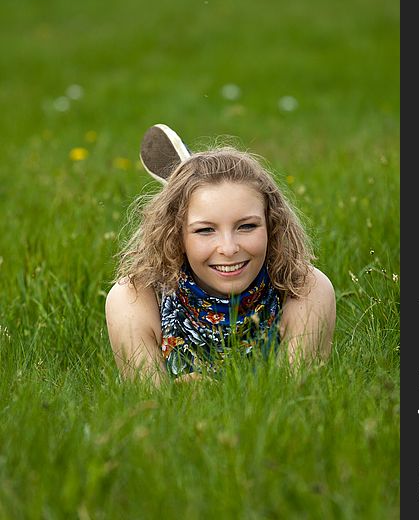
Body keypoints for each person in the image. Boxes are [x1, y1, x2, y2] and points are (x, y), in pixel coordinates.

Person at [105, 124, 336, 384]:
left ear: (272, 225)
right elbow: (150, 409)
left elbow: (292, 401)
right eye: (205, 230)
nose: (228, 248)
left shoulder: (305, 290)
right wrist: (182, 402)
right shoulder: (134, 299)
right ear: (174, 234)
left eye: (247, 226)